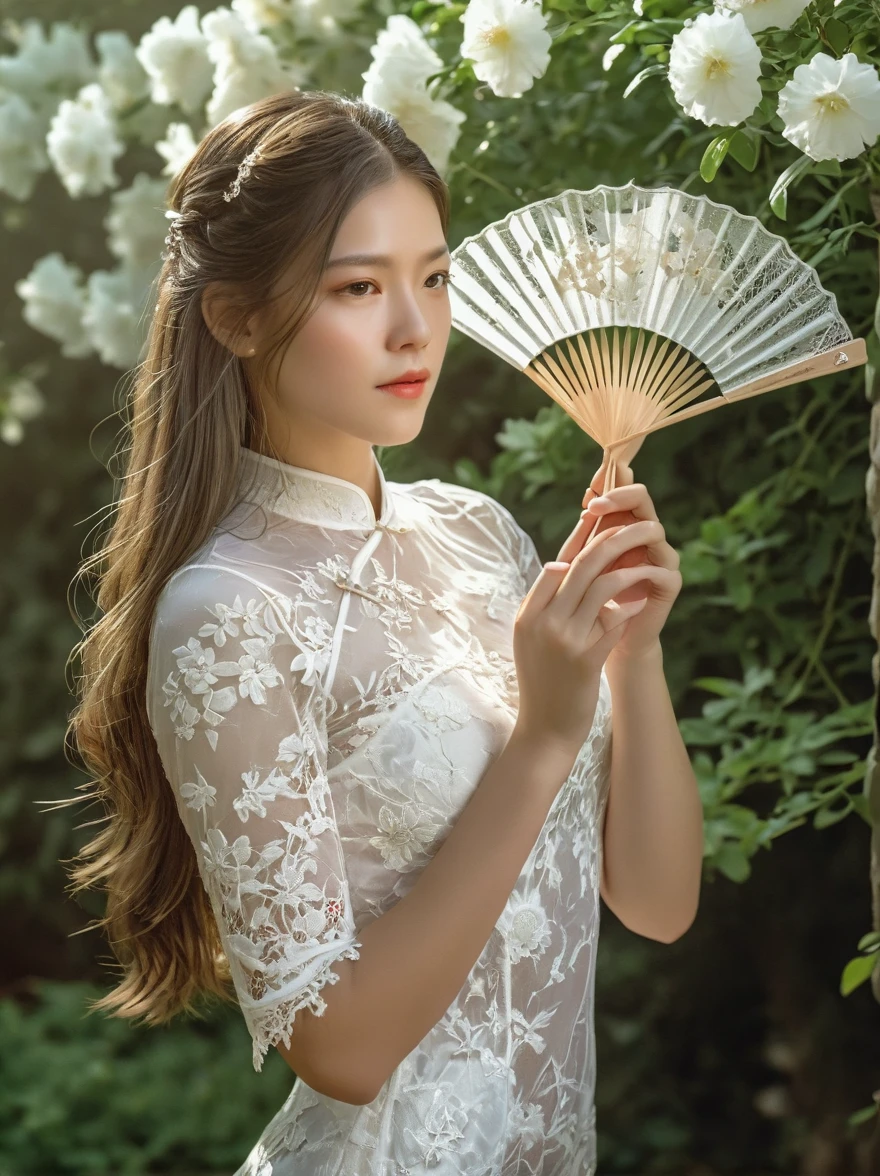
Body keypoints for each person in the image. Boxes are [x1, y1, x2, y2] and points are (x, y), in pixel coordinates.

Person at [66, 88, 662, 1176]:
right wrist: (540, 739)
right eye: (358, 287)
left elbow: (657, 900)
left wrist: (635, 643)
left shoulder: (478, 533)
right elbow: (336, 1050)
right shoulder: (226, 613)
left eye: (433, 277)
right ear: (237, 317)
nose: (414, 328)